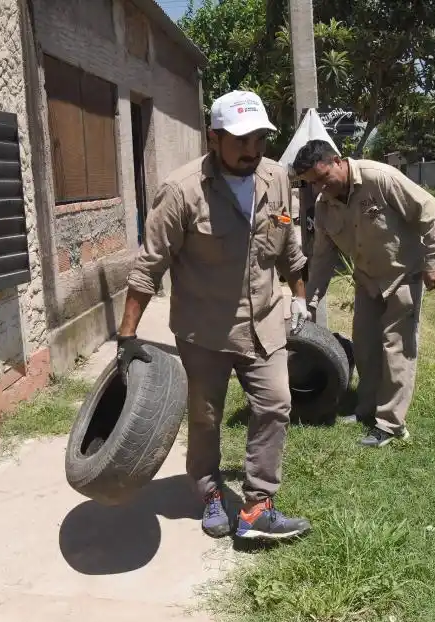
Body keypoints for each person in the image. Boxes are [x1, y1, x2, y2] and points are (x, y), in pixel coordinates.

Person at [117, 90, 312, 541]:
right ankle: (208, 492)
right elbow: (150, 265)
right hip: (204, 330)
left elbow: (288, 244)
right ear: (214, 137)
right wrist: (127, 335)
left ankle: (258, 505)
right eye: (241, 140)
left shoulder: (276, 178)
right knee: (206, 417)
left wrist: (300, 298)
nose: (252, 150)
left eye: (260, 139)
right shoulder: (182, 190)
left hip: (264, 322)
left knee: (275, 404)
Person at [291, 139, 435, 448]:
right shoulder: (324, 206)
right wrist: (309, 301)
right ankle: (367, 410)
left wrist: (434, 261)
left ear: (337, 161)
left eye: (323, 178)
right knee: (365, 347)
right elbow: (322, 258)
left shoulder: (379, 178)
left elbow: (428, 208)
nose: (321, 187)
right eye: (312, 183)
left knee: (396, 347)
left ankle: (391, 424)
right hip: (367, 280)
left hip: (403, 275)